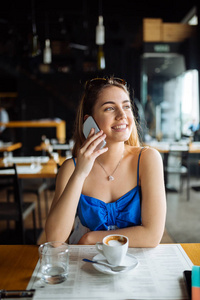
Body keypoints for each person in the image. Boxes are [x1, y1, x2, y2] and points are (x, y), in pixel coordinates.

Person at [45, 77, 166, 247]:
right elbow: (54, 240)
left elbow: (152, 236)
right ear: (89, 121)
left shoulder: (148, 159)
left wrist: (91, 238)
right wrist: (80, 174)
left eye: (126, 106)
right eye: (110, 108)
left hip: (134, 267)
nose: (122, 115)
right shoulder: (71, 168)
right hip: (84, 266)